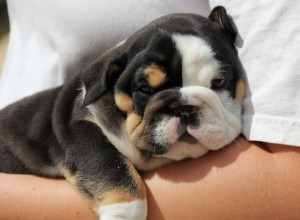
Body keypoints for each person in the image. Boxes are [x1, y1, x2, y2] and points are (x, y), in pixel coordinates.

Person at [0, 0, 300, 219]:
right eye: (146, 90)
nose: (185, 111)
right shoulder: (92, 114)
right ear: (111, 79)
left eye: (217, 82)